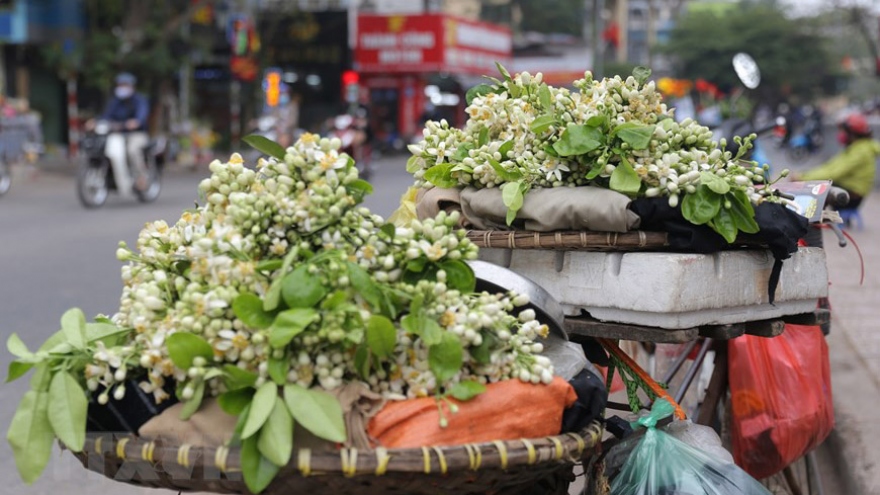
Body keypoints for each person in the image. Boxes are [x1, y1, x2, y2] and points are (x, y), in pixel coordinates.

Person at [796, 112, 879, 211]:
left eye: (843, 131)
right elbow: (829, 167)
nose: (841, 134)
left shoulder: (861, 151)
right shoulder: (856, 147)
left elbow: (833, 173)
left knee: (812, 189)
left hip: (851, 196)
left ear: (852, 133)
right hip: (848, 189)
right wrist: (804, 176)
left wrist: (802, 178)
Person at [99, 73, 150, 189]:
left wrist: (135, 122)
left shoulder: (139, 100)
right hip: (118, 134)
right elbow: (106, 116)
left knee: (132, 150)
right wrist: (96, 122)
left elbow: (141, 116)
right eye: (120, 85)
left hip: (137, 134)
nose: (122, 88)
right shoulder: (115, 101)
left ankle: (141, 178)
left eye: (124, 85)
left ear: (132, 86)